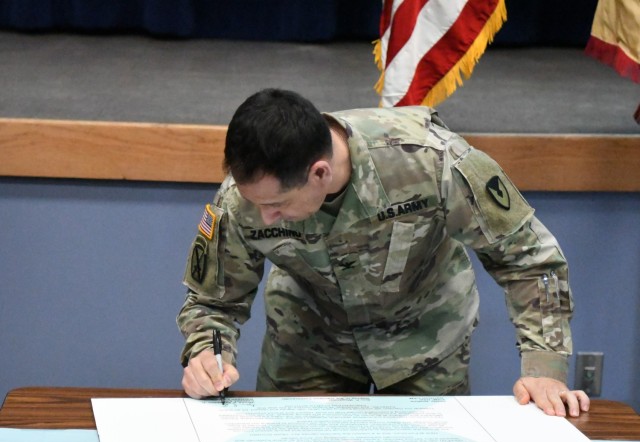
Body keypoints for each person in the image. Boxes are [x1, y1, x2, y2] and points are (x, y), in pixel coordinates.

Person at [177, 88, 590, 417]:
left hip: (426, 342)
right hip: (309, 344)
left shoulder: (431, 160)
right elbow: (213, 300)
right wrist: (207, 355)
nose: (266, 218)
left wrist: (544, 369)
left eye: (278, 206)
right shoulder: (242, 198)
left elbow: (530, 258)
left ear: (319, 172)